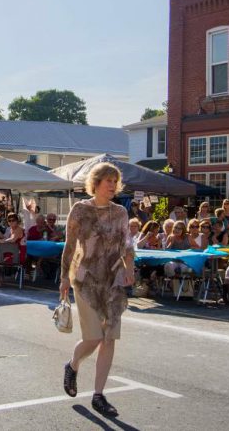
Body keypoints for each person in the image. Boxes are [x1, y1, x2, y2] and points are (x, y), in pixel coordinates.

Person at [59, 162, 134, 418]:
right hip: (85, 279)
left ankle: (99, 396)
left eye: (115, 181)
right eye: (108, 181)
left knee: (109, 337)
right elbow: (69, 246)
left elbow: (128, 244)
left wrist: (130, 268)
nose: (113, 186)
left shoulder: (121, 212)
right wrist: (63, 279)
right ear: (96, 183)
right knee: (94, 338)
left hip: (112, 280)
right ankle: (72, 365)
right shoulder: (80, 210)